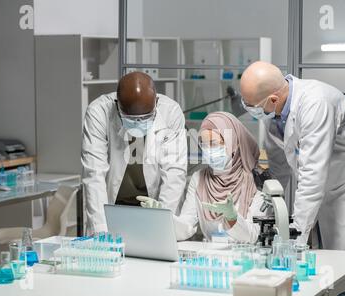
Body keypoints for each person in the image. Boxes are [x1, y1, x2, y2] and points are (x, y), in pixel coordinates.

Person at [240, 61, 345, 296]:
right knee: (325, 271)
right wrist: (267, 204)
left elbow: (312, 174)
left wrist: (295, 235)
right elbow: (278, 166)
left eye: (252, 105)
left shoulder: (316, 102)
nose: (250, 109)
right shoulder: (276, 113)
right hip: (329, 189)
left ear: (273, 99)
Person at [82, 72, 187, 234]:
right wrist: (101, 232)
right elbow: (94, 174)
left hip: (153, 205)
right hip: (112, 208)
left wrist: (163, 220)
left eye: (145, 118)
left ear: (156, 103)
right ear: (117, 106)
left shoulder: (170, 112)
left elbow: (175, 173)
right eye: (130, 119)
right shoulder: (99, 112)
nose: (138, 123)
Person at [173, 112, 267, 243]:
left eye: (214, 143)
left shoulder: (254, 181)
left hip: (242, 257)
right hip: (210, 257)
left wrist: (232, 217)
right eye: (204, 145)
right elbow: (186, 225)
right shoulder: (198, 178)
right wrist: (165, 218)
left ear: (233, 142)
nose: (208, 151)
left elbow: (253, 236)